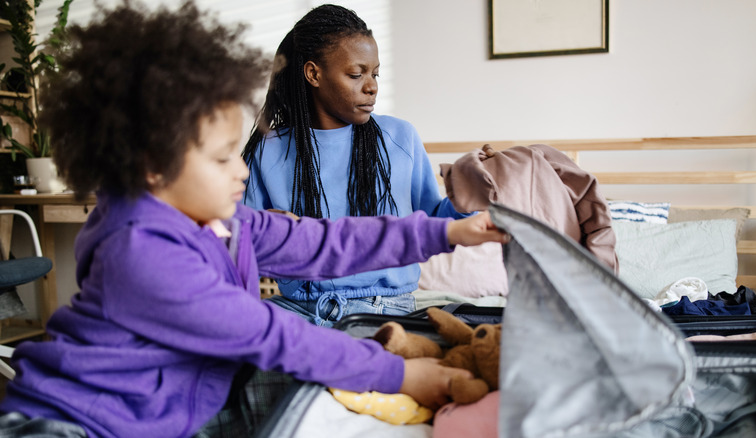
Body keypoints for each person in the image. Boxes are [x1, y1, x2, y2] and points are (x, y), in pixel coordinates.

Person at [0, 2, 508, 437]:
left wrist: (445, 230)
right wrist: (400, 375)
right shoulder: (143, 252)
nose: (242, 168)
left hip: (162, 411)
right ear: (153, 167)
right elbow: (271, 333)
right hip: (71, 424)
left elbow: (321, 241)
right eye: (223, 157)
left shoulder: (221, 220)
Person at [243, 4, 470, 327]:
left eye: (375, 73)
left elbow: (433, 223)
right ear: (313, 74)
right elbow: (237, 242)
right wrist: (275, 236)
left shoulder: (399, 137)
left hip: (385, 311)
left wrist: (467, 198)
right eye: (356, 74)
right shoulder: (267, 149)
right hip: (298, 309)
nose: (371, 86)